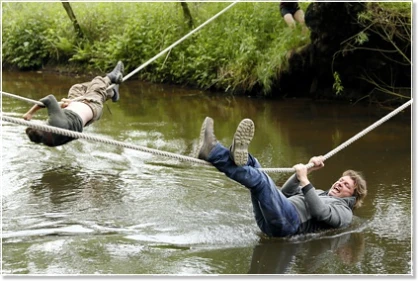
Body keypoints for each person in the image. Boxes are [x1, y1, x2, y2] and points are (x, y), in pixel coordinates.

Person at [196, 117, 367, 237]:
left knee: (260, 181)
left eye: (346, 185)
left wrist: (305, 180)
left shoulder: (345, 213)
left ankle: (213, 151)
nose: (339, 183)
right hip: (274, 218)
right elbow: (285, 193)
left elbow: (321, 213)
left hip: (288, 224)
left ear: (353, 196)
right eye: (340, 180)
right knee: (256, 167)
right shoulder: (321, 193)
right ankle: (237, 156)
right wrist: (306, 172)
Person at [24, 61, 124, 147]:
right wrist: (30, 113)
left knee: (76, 88)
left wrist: (69, 105)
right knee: (97, 82)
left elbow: (73, 129)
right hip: (92, 104)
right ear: (43, 128)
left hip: (82, 109)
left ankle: (112, 92)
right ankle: (112, 77)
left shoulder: (50, 142)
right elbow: (49, 99)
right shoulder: (55, 123)